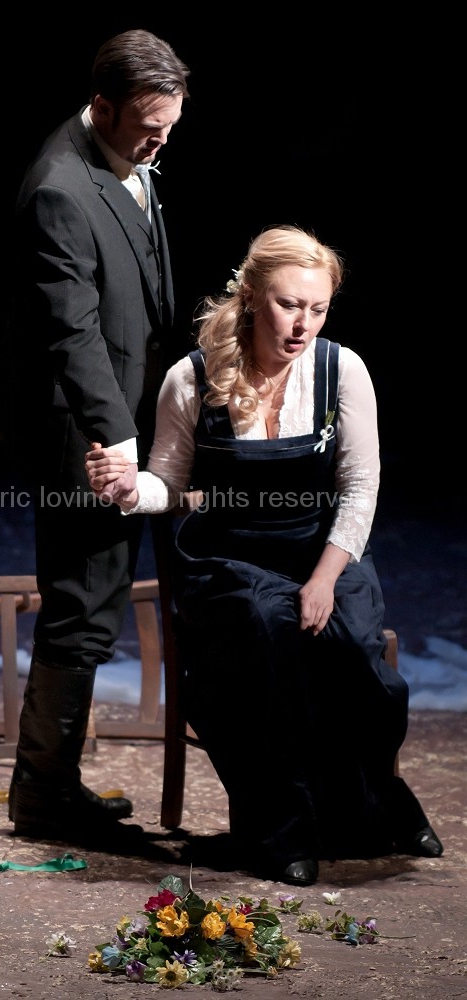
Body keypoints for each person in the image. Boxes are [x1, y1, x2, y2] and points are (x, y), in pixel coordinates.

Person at [85, 224, 444, 886]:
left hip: (321, 550)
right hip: (229, 559)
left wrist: (325, 579)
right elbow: (169, 483)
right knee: (263, 633)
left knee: (352, 653)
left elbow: (360, 488)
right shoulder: (192, 379)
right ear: (251, 297)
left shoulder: (341, 370)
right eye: (288, 305)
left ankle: (378, 805)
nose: (303, 324)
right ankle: (279, 830)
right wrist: (130, 490)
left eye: (318, 308)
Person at [5, 30, 191, 842]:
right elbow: (73, 333)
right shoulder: (60, 188)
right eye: (149, 128)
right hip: (86, 434)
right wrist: (117, 440)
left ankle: (53, 787)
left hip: (133, 417)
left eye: (171, 127)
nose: (161, 143)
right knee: (81, 608)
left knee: (98, 603)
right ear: (103, 106)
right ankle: (43, 796)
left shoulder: (127, 154)